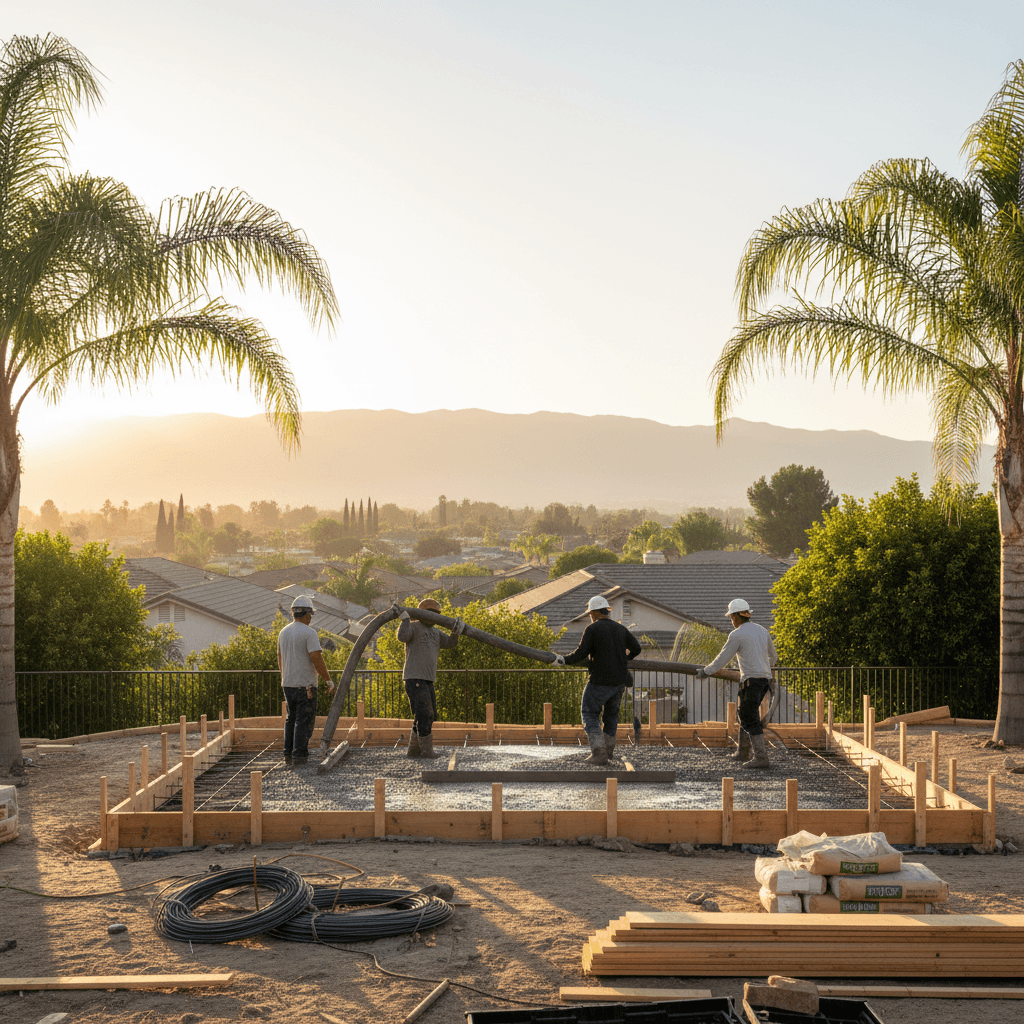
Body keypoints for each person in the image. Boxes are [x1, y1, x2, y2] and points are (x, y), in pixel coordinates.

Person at [554, 595, 641, 765]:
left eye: (590, 614)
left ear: (593, 612)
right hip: (619, 682)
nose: (590, 617)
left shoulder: (592, 629)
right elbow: (636, 648)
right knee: (611, 715)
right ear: (606, 611)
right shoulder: (620, 628)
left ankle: (598, 752)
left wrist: (563, 660)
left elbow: (580, 653)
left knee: (589, 713)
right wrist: (625, 658)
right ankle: (607, 753)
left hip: (600, 680)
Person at [697, 598, 778, 769]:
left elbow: (722, 658)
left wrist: (706, 671)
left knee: (748, 716)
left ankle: (761, 757)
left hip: (752, 681)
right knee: (747, 713)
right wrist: (764, 669)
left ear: (736, 616)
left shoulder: (737, 634)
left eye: (731, 617)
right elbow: (774, 657)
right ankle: (743, 752)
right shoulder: (762, 631)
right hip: (764, 680)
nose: (731, 621)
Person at [396, 599, 465, 758]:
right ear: (422, 614)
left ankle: (414, 750)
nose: (433, 618)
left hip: (427, 679)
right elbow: (402, 637)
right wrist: (405, 620)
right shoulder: (413, 627)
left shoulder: (436, 633)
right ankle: (426, 751)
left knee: (427, 713)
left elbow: (449, 643)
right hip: (414, 678)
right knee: (425, 713)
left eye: (436, 615)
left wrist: (456, 631)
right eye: (430, 614)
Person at [277, 594, 335, 763]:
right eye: (311, 615)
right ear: (308, 614)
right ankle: (300, 755)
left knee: (291, 719)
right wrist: (328, 680)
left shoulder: (283, 632)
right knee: (303, 720)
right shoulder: (309, 633)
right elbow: (316, 657)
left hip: (288, 684)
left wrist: (285, 676)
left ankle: (288, 753)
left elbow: (280, 657)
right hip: (306, 686)